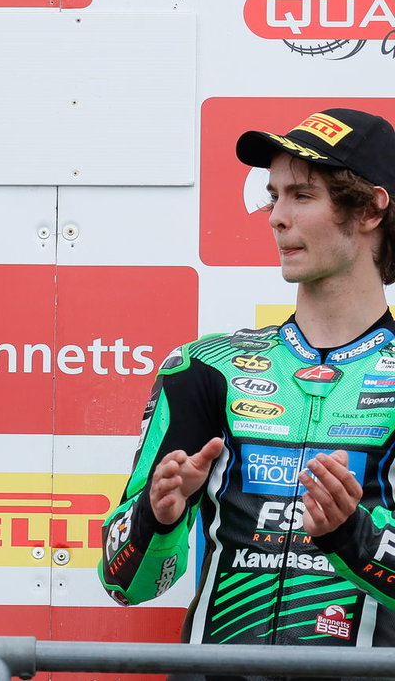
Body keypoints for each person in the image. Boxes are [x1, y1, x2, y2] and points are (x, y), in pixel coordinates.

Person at [100, 108, 395, 675]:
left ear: (370, 209)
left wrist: (351, 535)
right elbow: (124, 583)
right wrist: (156, 519)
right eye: (274, 196)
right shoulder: (206, 367)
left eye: (302, 196)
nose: (276, 217)